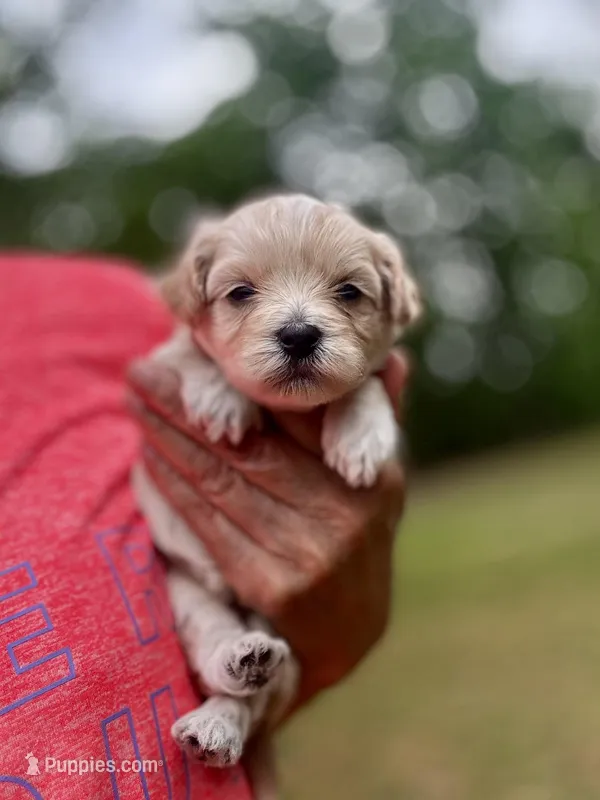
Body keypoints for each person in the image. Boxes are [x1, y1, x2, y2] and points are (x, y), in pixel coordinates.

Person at [0, 251, 407, 798]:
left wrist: (338, 627)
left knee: (238, 653)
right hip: (205, 626)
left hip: (224, 658)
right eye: (243, 293)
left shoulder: (106, 296)